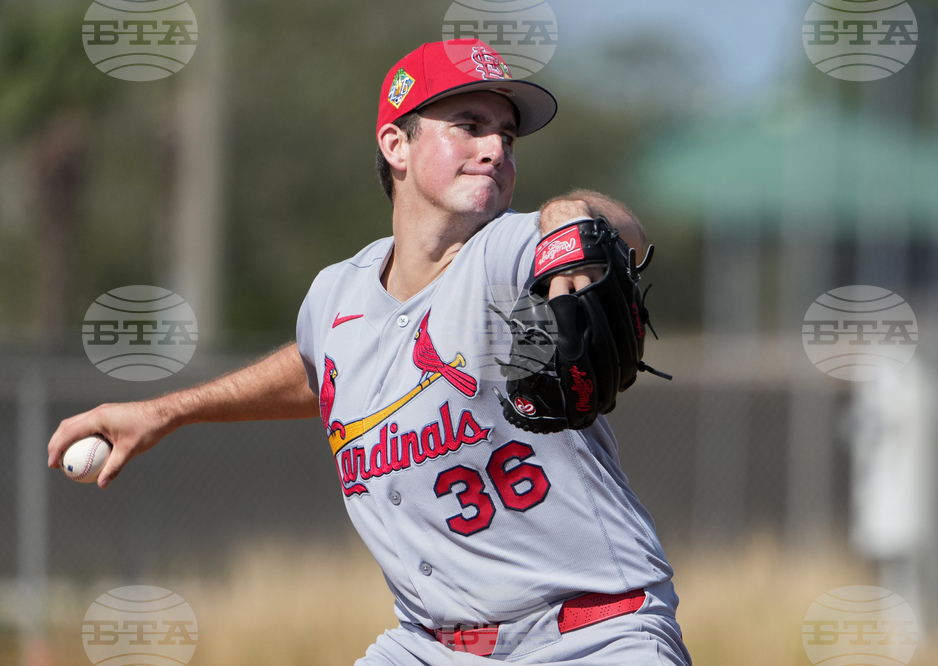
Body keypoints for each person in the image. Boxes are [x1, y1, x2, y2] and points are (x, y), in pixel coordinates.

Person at [48, 39, 691, 665]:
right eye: (468, 125)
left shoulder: (507, 254)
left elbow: (614, 233)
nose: (494, 148)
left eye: (507, 135)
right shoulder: (336, 296)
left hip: (589, 635)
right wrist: (167, 411)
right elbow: (314, 371)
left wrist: (576, 217)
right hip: (428, 645)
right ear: (396, 144)